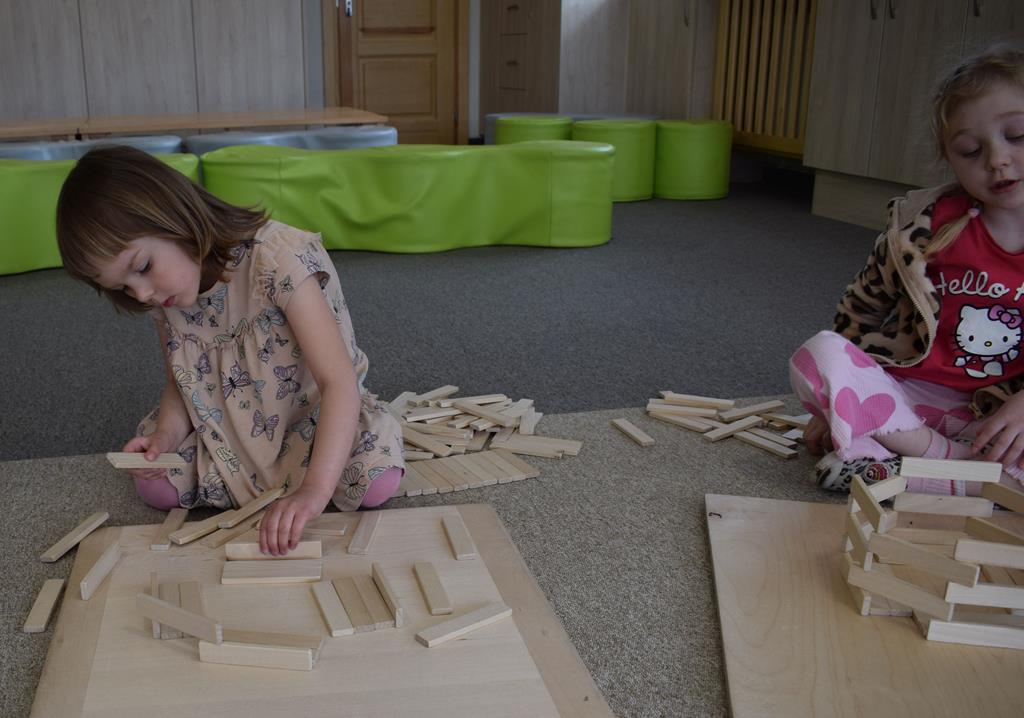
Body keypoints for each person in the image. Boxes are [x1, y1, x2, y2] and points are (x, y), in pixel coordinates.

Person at [56, 145, 404, 554]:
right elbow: (180, 386)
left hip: (311, 421)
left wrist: (314, 490)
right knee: (156, 488)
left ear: (175, 216)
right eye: (124, 288)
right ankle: (265, 481)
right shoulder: (166, 298)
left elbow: (338, 382)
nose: (143, 293)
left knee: (376, 482)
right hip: (229, 432)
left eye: (143, 267)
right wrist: (165, 438)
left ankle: (302, 481)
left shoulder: (278, 259)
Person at [790, 46, 1024, 495]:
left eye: (1017, 135)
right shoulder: (922, 227)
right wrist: (834, 403)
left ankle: (899, 467)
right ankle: (950, 465)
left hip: (997, 416)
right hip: (910, 404)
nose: (997, 159)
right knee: (820, 353)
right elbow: (859, 312)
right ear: (949, 158)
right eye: (971, 150)